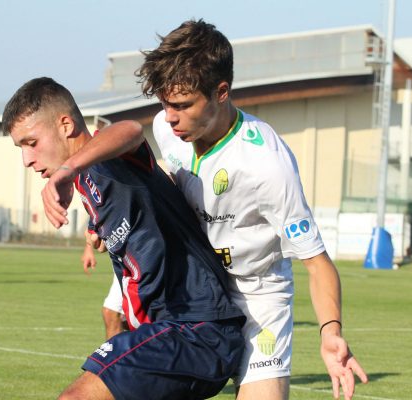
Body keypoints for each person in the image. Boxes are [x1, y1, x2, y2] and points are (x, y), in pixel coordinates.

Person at [43, 19, 369, 400]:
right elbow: (165, 190)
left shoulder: (266, 164)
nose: (169, 117)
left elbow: (318, 262)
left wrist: (331, 332)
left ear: (221, 91)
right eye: (164, 104)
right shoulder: (170, 131)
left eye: (182, 105)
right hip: (190, 297)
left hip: (258, 299)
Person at [2, 77, 246, 400]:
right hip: (176, 333)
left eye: (31, 142)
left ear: (65, 124)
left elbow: (131, 130)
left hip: (195, 329)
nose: (27, 160)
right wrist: (95, 229)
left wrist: (69, 168)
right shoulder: (90, 181)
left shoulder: (103, 158)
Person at [81, 229, 126, 339]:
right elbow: (94, 230)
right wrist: (89, 247)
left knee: (114, 313)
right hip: (123, 262)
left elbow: (100, 244)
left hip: (142, 257)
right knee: (114, 314)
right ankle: (116, 356)